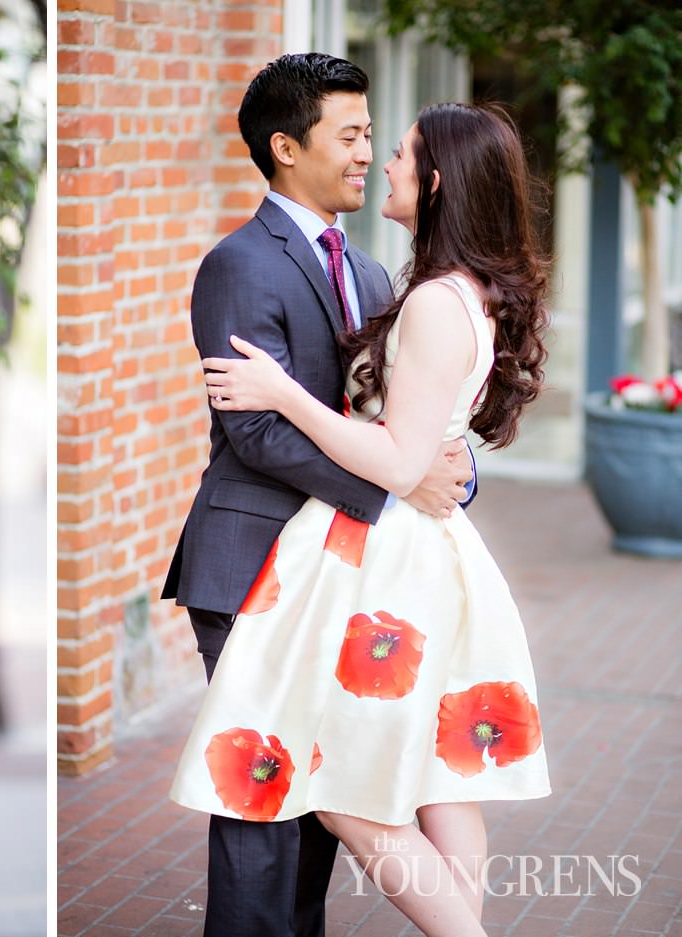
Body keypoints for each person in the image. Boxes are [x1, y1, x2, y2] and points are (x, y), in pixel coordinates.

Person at [170, 101, 552, 937]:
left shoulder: (408, 289)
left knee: (348, 787)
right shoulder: (248, 264)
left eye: (396, 148)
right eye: (355, 137)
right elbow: (268, 432)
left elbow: (401, 447)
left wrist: (307, 406)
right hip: (285, 550)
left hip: (380, 566)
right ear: (285, 146)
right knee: (353, 786)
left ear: (440, 180)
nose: (377, 159)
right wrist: (411, 469)